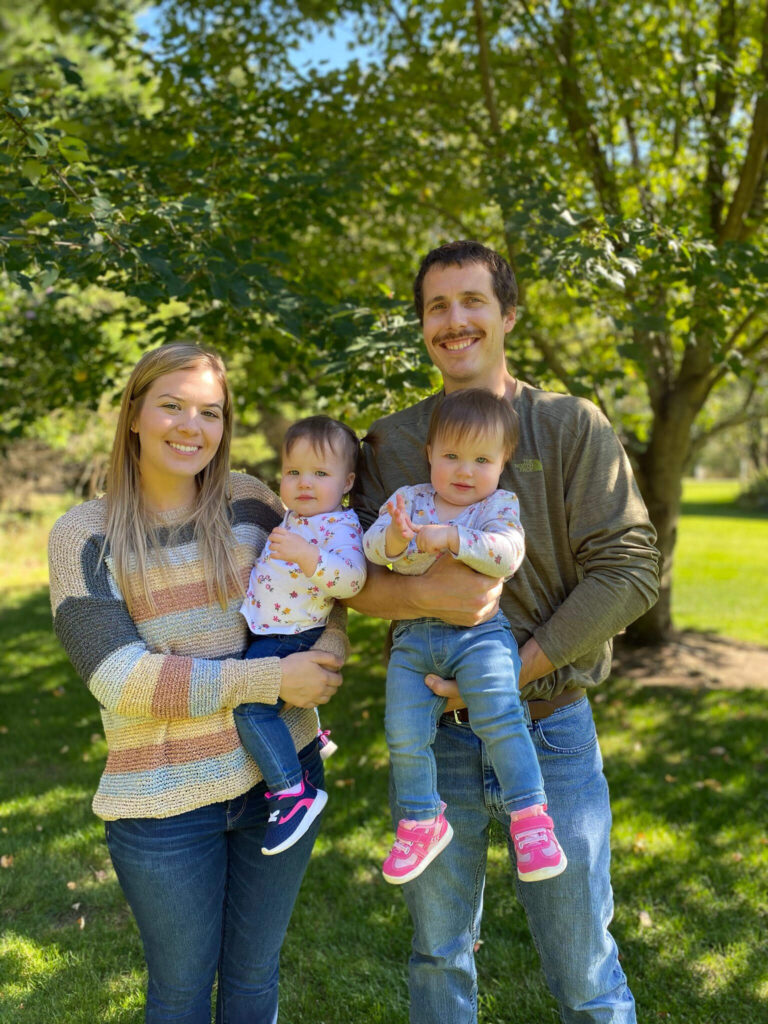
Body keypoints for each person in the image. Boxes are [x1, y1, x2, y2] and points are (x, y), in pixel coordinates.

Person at [350, 240, 660, 1023]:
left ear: (508, 313)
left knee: (585, 969)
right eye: (436, 307)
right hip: (435, 736)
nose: (454, 321)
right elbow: (352, 581)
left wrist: (509, 672)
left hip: (551, 728)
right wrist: (437, 594)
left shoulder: (568, 427)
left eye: (472, 302)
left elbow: (629, 570)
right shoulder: (391, 444)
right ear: (421, 325)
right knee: (437, 958)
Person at [48, 343, 346, 1024]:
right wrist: (273, 677)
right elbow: (117, 677)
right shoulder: (84, 535)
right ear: (133, 414)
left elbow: (323, 593)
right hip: (163, 802)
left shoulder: (250, 500)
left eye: (210, 412)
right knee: (180, 995)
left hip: (282, 784)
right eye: (173, 406)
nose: (192, 426)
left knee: (253, 984)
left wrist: (323, 660)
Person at [363, 388, 566, 885]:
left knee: (499, 711)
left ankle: (530, 817)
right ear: (430, 454)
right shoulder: (409, 500)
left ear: (502, 463)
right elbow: (372, 550)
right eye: (450, 456)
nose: (463, 470)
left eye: (481, 459)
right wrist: (395, 537)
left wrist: (454, 539)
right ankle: (421, 819)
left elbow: (507, 554)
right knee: (404, 731)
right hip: (413, 640)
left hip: (480, 636)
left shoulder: (498, 505)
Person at [237, 415, 366, 856]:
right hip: (272, 629)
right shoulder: (292, 516)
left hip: (297, 635)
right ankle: (313, 733)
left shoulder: (340, 527)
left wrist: (309, 556)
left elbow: (350, 582)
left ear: (346, 481)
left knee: (251, 708)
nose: (304, 483)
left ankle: (292, 792)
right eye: (293, 472)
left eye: (320, 473)